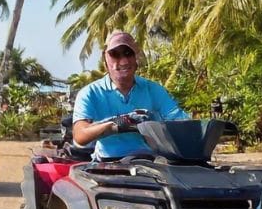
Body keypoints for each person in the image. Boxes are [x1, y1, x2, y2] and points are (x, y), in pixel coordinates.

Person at [72, 31, 188, 160]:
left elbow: (180, 120)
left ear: (136, 59)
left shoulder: (153, 89)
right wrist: (117, 125)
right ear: (105, 62)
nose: (123, 61)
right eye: (115, 54)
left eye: (128, 53)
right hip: (108, 162)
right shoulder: (89, 93)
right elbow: (80, 136)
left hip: (150, 161)